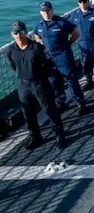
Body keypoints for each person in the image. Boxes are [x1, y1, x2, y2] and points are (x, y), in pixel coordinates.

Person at [6, 21, 67, 150]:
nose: (19, 36)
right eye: (16, 33)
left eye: (22, 32)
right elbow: (13, 66)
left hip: (39, 83)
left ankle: (59, 134)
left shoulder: (37, 47)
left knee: (49, 109)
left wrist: (41, 76)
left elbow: (48, 64)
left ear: (26, 32)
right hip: (23, 85)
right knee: (27, 113)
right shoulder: (10, 51)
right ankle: (35, 136)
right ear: (12, 35)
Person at [34, 1, 86, 115]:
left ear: (52, 10)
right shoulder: (38, 25)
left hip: (63, 57)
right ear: (40, 12)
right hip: (49, 59)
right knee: (54, 82)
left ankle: (80, 102)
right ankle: (61, 101)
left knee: (71, 80)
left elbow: (76, 33)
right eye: (43, 11)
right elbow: (36, 35)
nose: (46, 13)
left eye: (48, 11)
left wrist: (68, 44)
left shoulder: (62, 23)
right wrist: (42, 44)